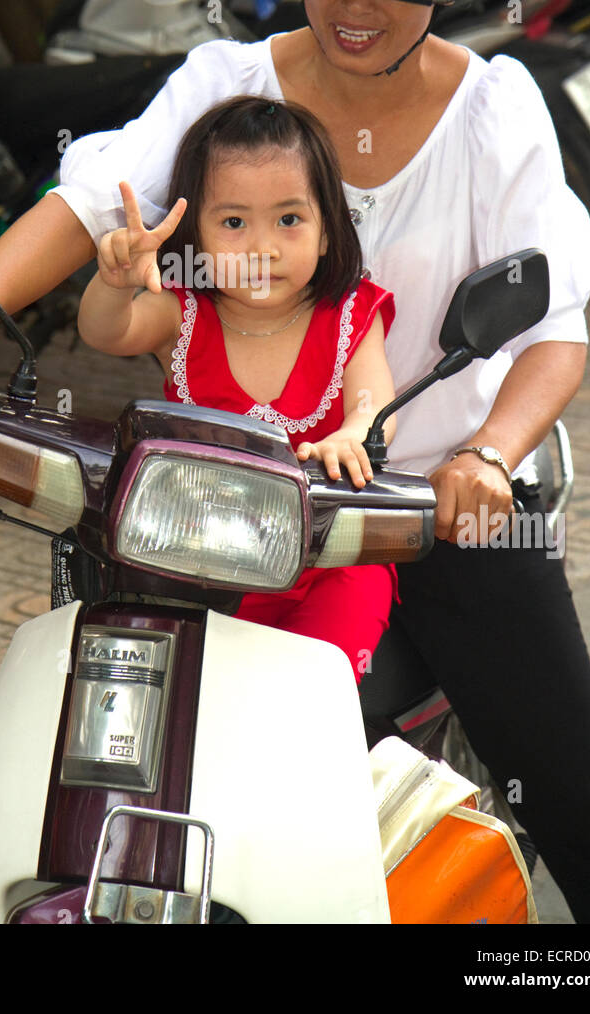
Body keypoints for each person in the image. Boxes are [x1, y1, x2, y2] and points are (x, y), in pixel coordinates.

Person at [0, 0, 590, 925]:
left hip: (429, 503)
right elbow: (93, 208)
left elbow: (549, 327)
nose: (354, 11)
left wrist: (488, 455)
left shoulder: (493, 110)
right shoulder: (228, 87)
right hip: (223, 514)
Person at [76, 96, 397, 682]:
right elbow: (106, 330)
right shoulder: (182, 315)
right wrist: (113, 282)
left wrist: (352, 437)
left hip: (334, 563)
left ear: (328, 230)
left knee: (312, 696)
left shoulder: (351, 311)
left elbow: (373, 405)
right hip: (200, 564)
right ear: (194, 235)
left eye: (289, 220)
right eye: (233, 223)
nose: (262, 247)